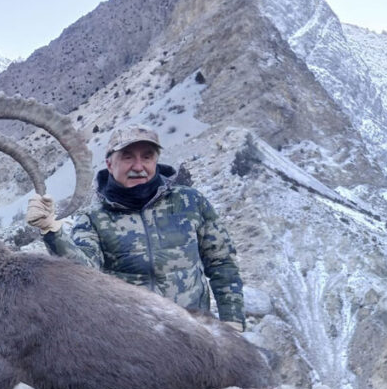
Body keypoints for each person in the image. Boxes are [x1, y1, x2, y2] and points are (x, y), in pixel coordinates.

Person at [26, 124, 245, 330]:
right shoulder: (93, 218)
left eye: (147, 157)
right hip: (134, 340)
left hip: (196, 330)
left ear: (156, 161)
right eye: (127, 157)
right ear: (110, 164)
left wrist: (232, 321)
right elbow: (85, 273)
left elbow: (221, 261)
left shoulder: (190, 202)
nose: (138, 167)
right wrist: (51, 230)